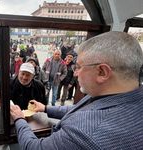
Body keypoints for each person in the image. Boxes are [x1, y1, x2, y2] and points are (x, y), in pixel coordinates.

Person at [10, 31, 143, 150]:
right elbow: (77, 109)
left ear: (102, 72)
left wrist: (19, 119)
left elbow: (34, 147)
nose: (75, 73)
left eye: (78, 67)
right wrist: (45, 108)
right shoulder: (105, 95)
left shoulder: (84, 132)